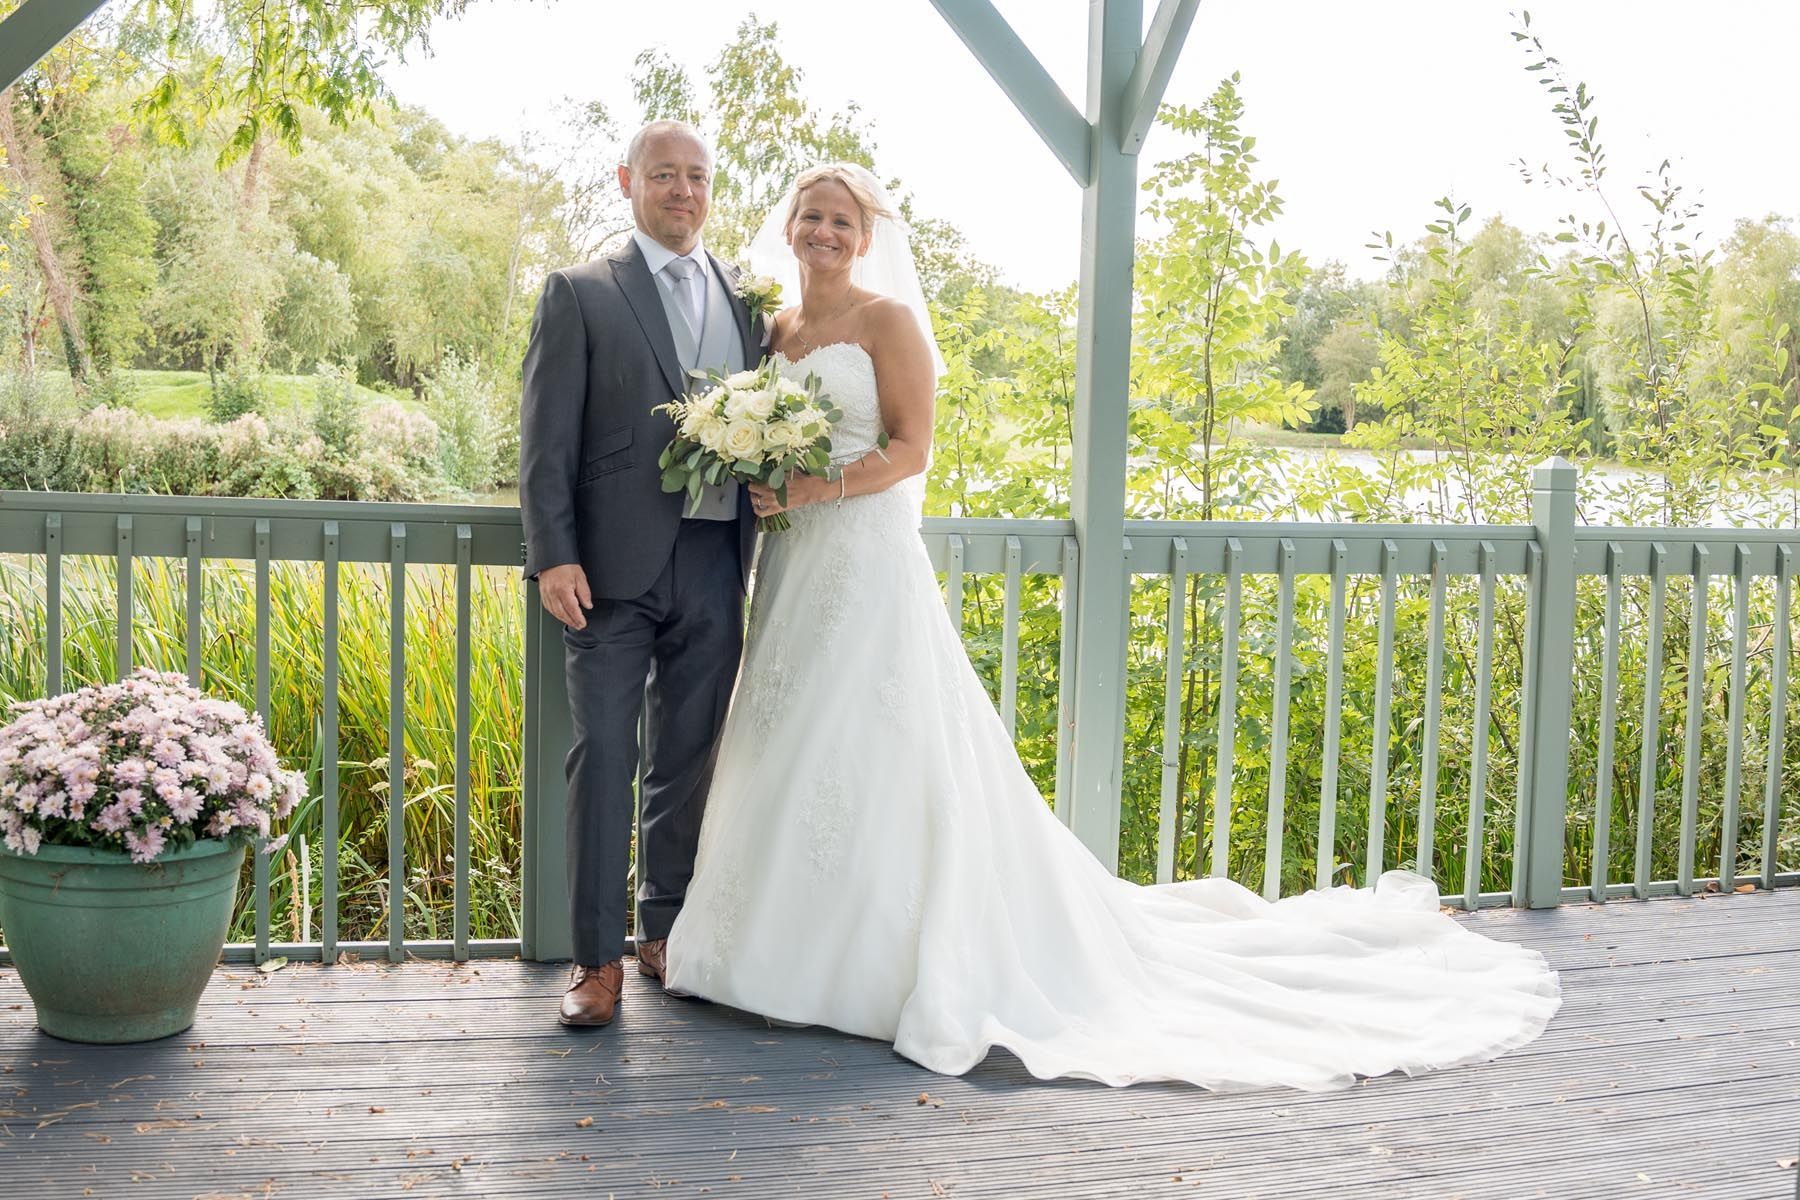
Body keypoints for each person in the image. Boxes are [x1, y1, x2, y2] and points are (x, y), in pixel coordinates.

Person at [661, 163, 1561, 1090]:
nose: (823, 232)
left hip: (866, 559)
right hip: (795, 562)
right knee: (788, 736)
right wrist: (768, 472)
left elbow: (912, 449)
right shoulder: (775, 330)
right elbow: (770, 436)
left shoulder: (888, 323)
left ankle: (869, 965)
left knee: (870, 737)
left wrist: (816, 484)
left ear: (866, 231)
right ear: (791, 225)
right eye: (810, 216)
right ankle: (775, 945)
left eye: (841, 220)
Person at [519, 120, 761, 1027]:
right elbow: (545, 440)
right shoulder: (581, 292)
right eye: (665, 175)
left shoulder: (748, 302)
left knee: (687, 763)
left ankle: (663, 934)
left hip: (713, 564)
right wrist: (554, 555)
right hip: (609, 575)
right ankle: (594, 962)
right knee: (606, 758)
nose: (683, 192)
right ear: (628, 181)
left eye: (697, 177)